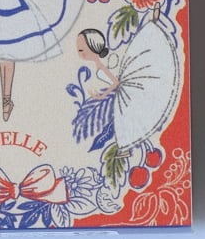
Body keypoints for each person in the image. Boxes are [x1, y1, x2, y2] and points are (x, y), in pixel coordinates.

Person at [74, 20, 181, 155]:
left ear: (93, 47)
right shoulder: (99, 64)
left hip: (124, 92)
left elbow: (115, 83)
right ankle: (125, 149)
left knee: (126, 119)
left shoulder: (100, 66)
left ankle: (125, 149)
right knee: (126, 120)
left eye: (81, 50)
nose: (80, 53)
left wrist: (102, 95)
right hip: (122, 91)